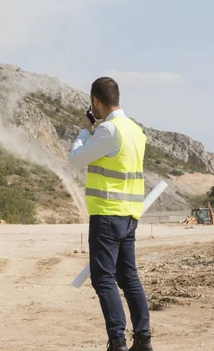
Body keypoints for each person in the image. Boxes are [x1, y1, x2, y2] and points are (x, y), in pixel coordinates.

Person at [69, 78, 153, 351]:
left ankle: (117, 340)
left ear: (95, 101)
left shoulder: (108, 130)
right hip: (129, 215)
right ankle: (143, 339)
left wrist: (85, 132)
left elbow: (77, 159)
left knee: (103, 278)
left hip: (107, 215)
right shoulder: (135, 131)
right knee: (129, 277)